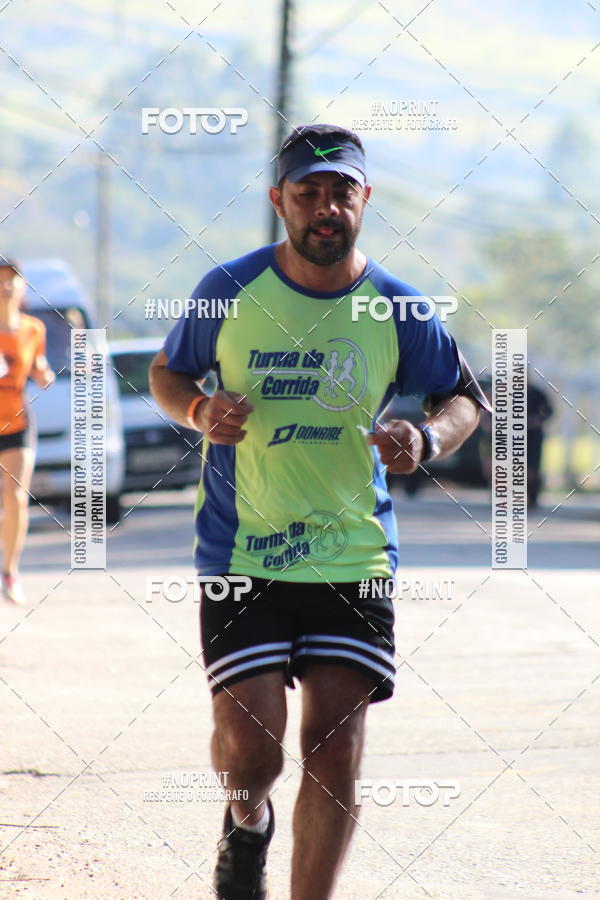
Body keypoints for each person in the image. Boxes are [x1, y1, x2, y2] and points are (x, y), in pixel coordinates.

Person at [149, 124, 490, 900]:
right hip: (243, 552)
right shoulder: (228, 291)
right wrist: (200, 412)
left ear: (365, 200)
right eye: (309, 192)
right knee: (253, 751)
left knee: (335, 749)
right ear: (280, 201)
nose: (326, 207)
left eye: (343, 191)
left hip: (352, 553)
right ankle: (247, 822)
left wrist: (428, 437)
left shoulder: (399, 308)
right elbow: (169, 370)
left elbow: (464, 397)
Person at [0, 257, 55, 605]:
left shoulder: (34, 329)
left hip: (17, 423)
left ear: (22, 286)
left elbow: (39, 365)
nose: (7, 286)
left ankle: (10, 571)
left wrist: (43, 372)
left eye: (12, 280)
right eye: (1, 280)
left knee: (16, 497)